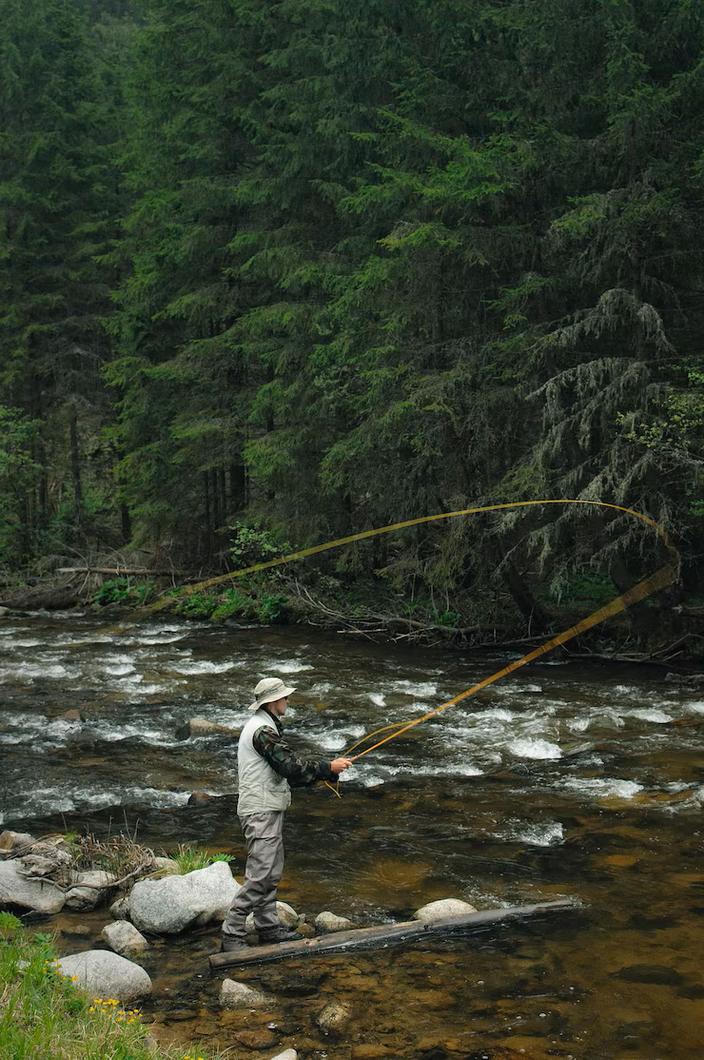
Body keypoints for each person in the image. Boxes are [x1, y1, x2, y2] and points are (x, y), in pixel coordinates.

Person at [220, 676, 353, 952]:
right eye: (284, 697)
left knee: (271, 871)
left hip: (267, 808)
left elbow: (285, 771)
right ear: (272, 702)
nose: (288, 701)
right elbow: (291, 766)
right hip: (259, 811)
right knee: (260, 874)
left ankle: (267, 927)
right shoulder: (262, 732)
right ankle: (232, 934)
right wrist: (328, 767)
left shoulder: (266, 727)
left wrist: (321, 775)